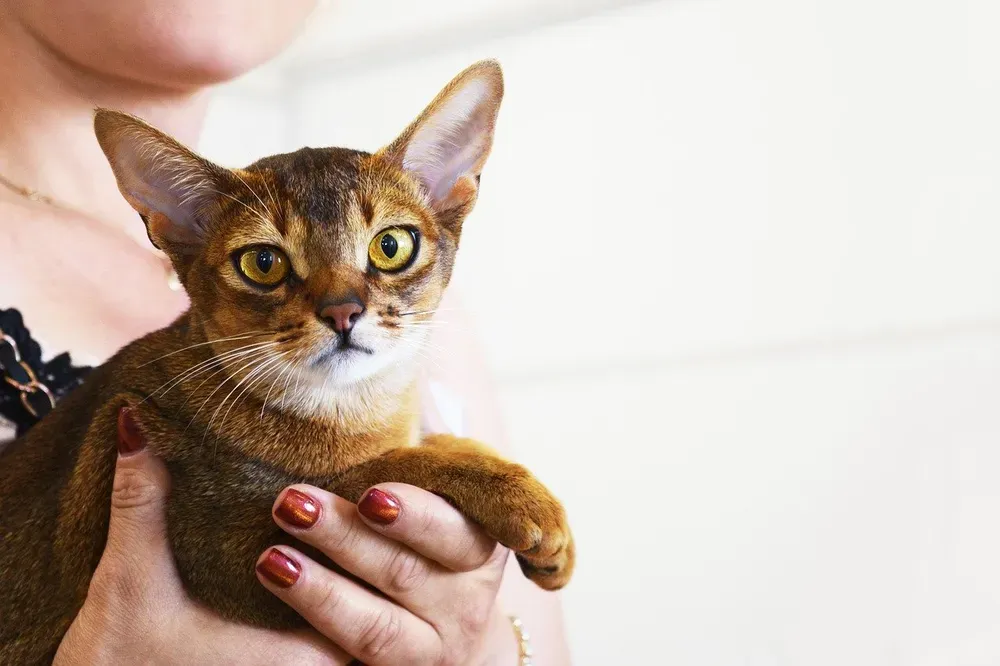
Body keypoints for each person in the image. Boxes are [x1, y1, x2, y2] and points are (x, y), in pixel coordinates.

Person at [0, 0, 571, 663]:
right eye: (264, 263)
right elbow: (228, 540)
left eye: (388, 250)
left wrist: (485, 649)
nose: (343, 309)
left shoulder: (433, 331)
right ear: (175, 223)